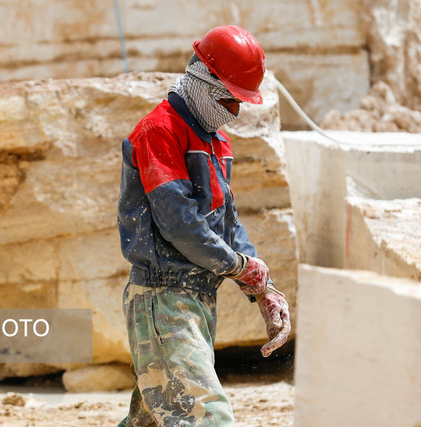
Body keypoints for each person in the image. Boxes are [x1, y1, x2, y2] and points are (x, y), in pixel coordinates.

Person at [117, 25, 291, 426]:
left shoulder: (216, 140)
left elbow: (224, 222)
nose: (235, 110)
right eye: (230, 98)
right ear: (205, 79)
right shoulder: (159, 131)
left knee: (154, 419)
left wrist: (261, 285)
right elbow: (178, 222)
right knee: (204, 415)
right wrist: (239, 267)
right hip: (163, 299)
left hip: (194, 299)